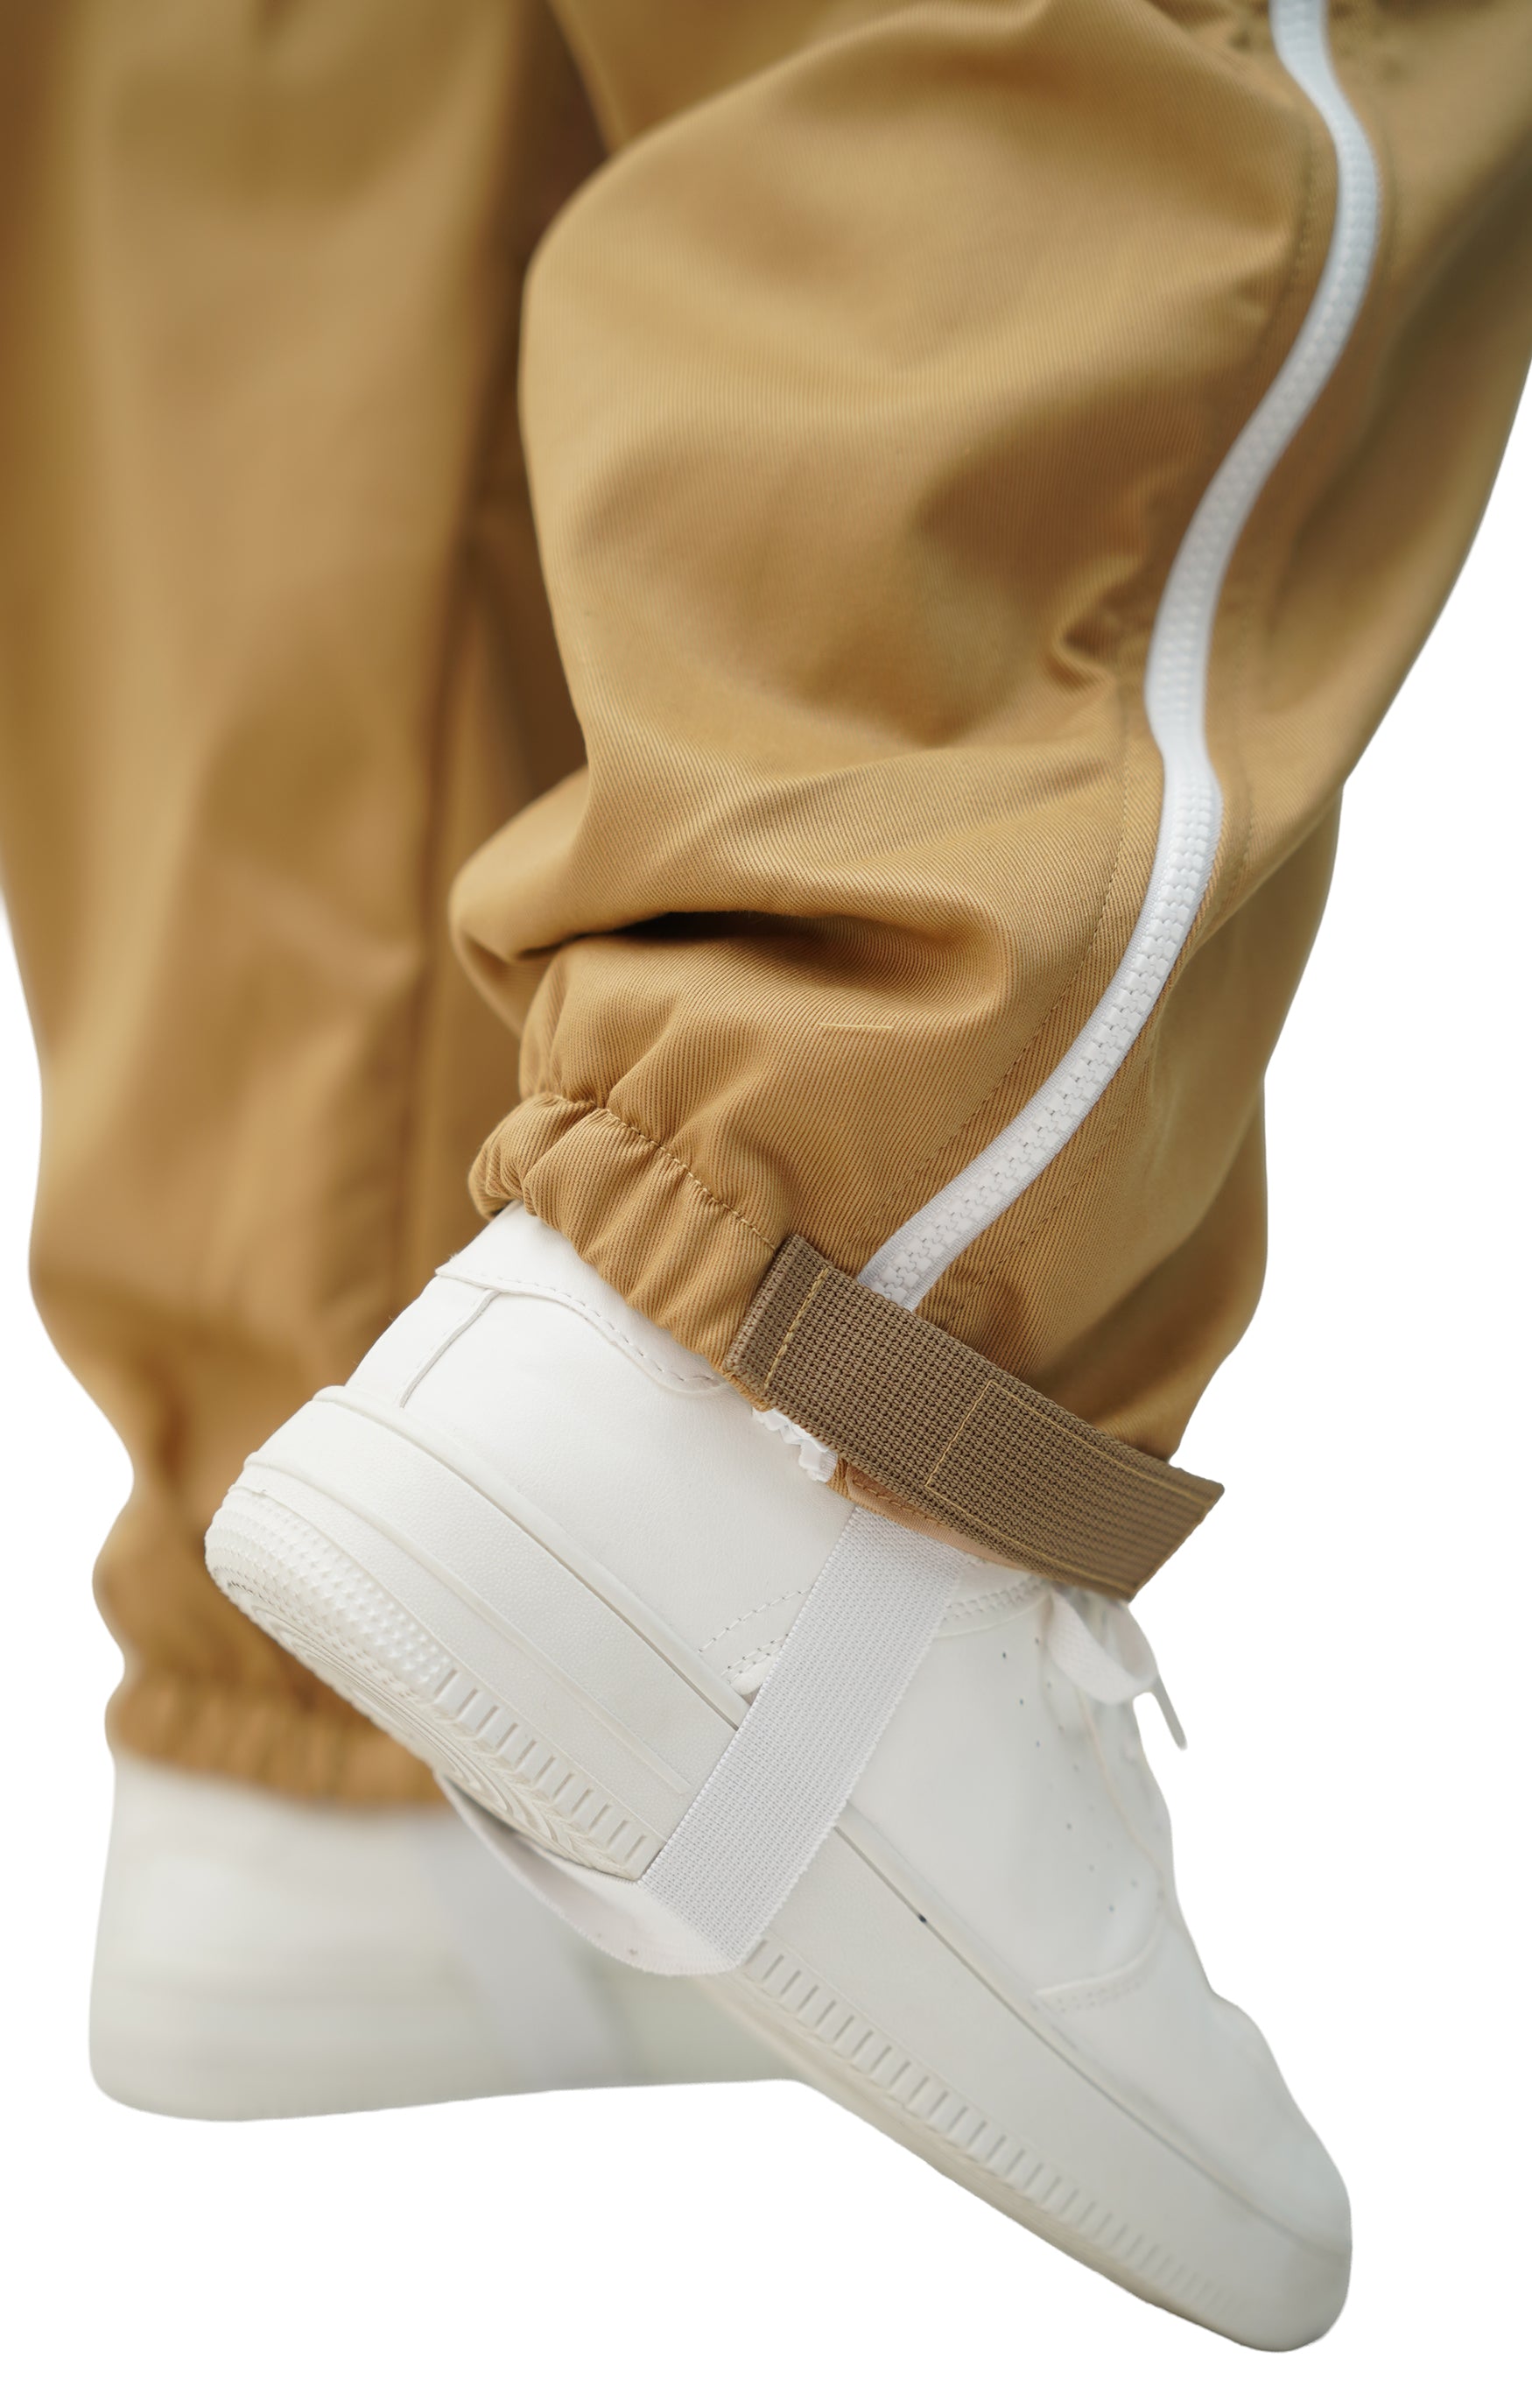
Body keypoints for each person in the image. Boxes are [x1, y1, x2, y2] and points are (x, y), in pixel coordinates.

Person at [2, 0, 1528, 2348]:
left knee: (296, 90)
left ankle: (356, 1770)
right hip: (819, 1348)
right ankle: (804, 1385)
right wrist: (793, 1251)